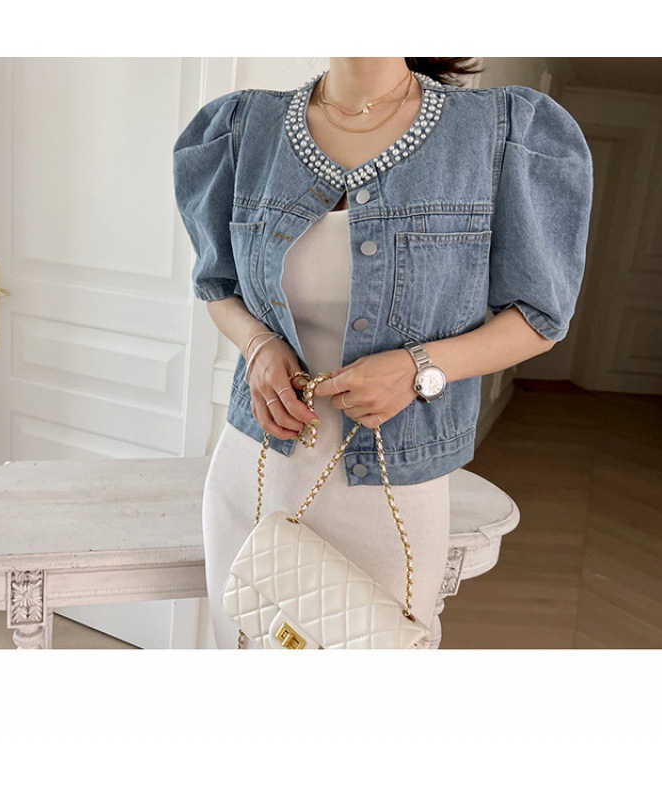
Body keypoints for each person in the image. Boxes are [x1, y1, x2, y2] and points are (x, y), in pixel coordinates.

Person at [173, 57, 594, 649]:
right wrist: (258, 344)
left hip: (391, 487)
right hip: (255, 471)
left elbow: (539, 318)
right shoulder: (243, 127)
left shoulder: (500, 132)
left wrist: (419, 368)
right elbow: (218, 287)